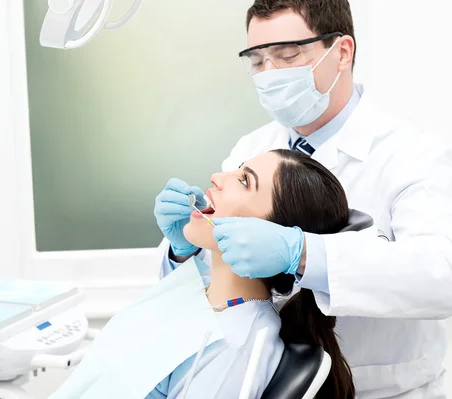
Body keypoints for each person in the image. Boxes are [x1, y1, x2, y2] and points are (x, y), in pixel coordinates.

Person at [153, 0, 452, 397]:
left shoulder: (411, 154)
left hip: (384, 389)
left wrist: (304, 253)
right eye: (257, 61)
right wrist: (182, 251)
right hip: (263, 378)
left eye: (288, 55)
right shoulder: (254, 147)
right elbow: (224, 268)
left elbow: (440, 275)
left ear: (342, 52)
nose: (269, 74)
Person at [148, 150, 355, 398]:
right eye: (238, 169)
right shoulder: (209, 299)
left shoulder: (237, 343)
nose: (217, 177)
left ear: (271, 231)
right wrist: (181, 251)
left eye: (245, 181)